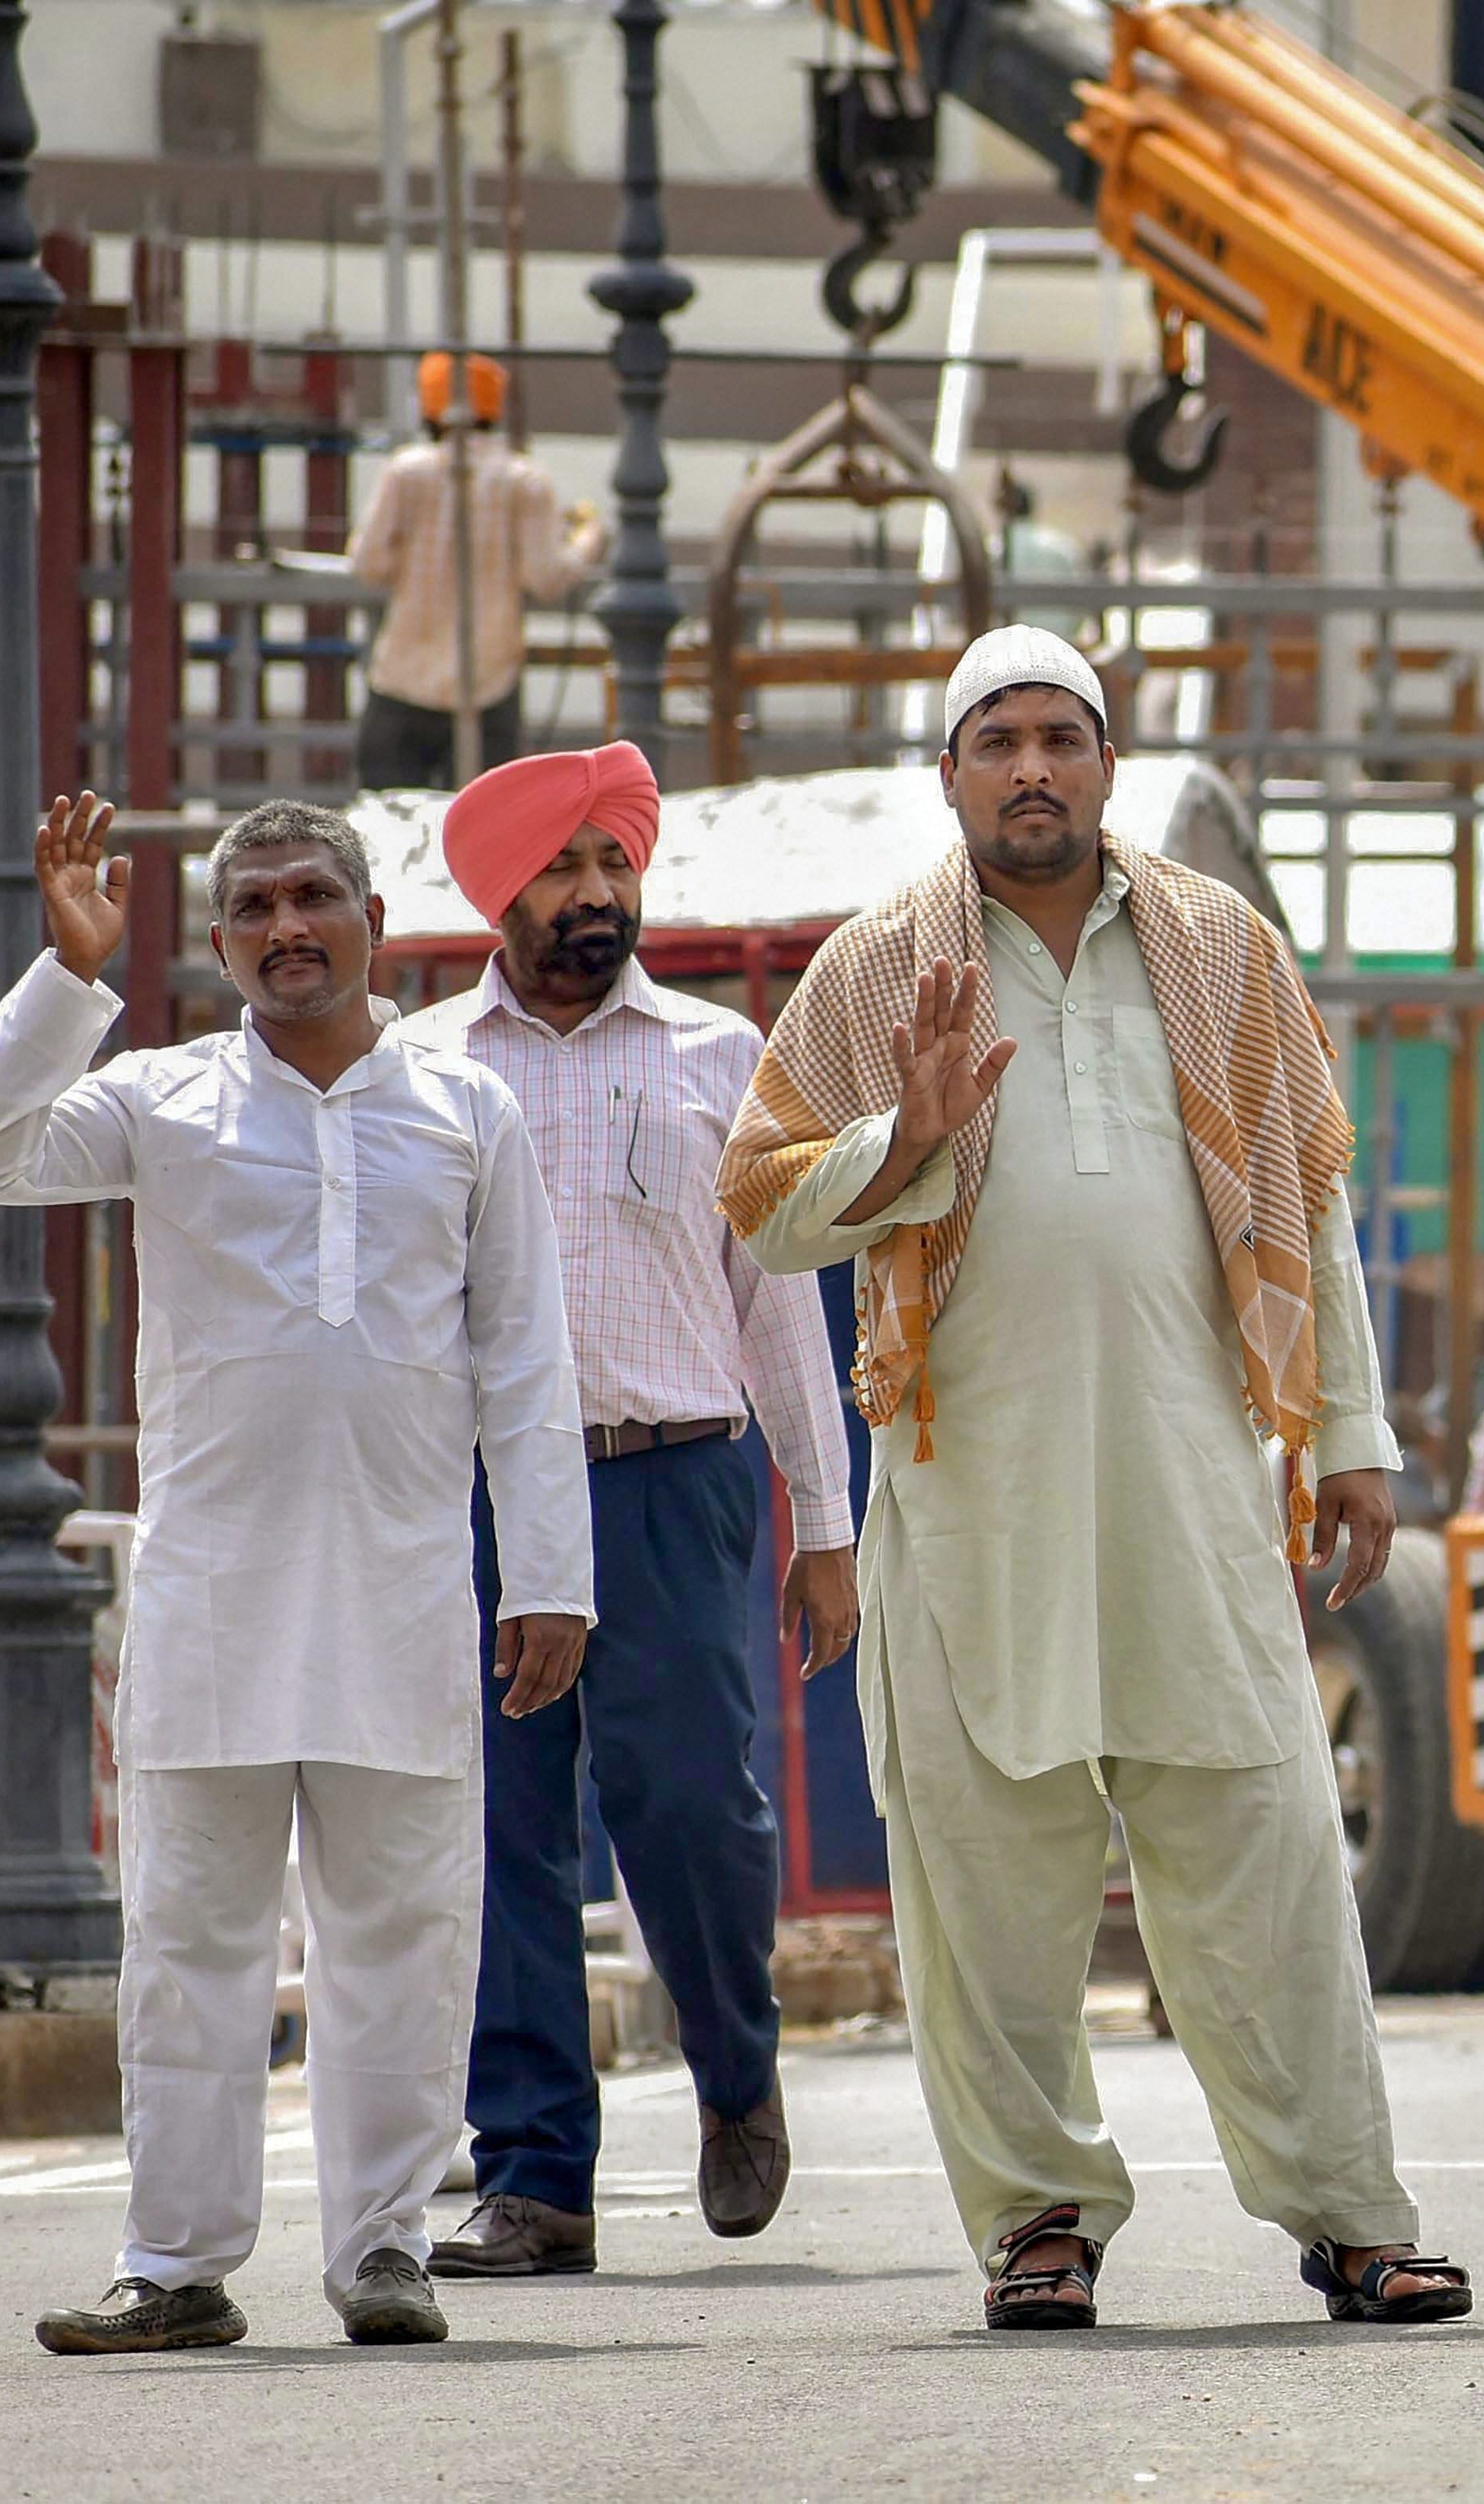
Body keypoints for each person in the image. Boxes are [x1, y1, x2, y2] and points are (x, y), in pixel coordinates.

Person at [717, 624, 1467, 2333]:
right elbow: (757, 1209)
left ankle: (1353, 2214)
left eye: (1064, 736)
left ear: (1109, 764)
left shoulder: (1221, 949)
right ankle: (1037, 2220)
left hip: (1196, 1490)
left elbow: (1307, 1197)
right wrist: (897, 1142)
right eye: (1000, 742)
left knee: (1267, 1853)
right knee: (986, 1883)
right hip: (971, 1500)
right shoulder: (875, 968)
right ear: (951, 776)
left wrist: (1348, 1433)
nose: (1035, 767)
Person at [0, 793, 592, 2355]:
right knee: (189, 1941)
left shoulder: (463, 1109)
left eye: (316, 897)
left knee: (401, 1937)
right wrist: (70, 972)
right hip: (214, 1598)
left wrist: (551, 1575)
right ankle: (174, 2263)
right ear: (224, 939)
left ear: (371, 919)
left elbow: (521, 1355)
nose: (289, 928)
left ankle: (383, 2249)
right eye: (254, 907)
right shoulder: (160, 1097)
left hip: (402, 1593)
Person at [400, 743, 864, 2278]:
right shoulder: (423, 1071)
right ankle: (535, 2174)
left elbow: (781, 1300)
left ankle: (736, 2071)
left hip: (677, 1478)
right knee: (499, 1830)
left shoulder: (723, 1057)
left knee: (685, 1803)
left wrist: (823, 1522)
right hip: (479, 1494)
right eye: (562, 869)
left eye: (615, 865)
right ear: (498, 893)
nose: (597, 895)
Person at [347, 352, 605, 790]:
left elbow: (367, 564)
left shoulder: (406, 472)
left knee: (386, 826)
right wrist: (588, 539)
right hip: (487, 686)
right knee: (483, 832)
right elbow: (546, 578)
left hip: (401, 679)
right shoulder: (524, 481)